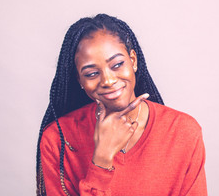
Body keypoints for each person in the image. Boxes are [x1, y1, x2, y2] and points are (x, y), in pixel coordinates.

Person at [36, 14, 207, 196]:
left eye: (117, 64)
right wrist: (102, 159)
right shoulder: (58, 139)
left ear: (133, 61)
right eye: (92, 73)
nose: (108, 80)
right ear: (79, 80)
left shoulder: (183, 131)